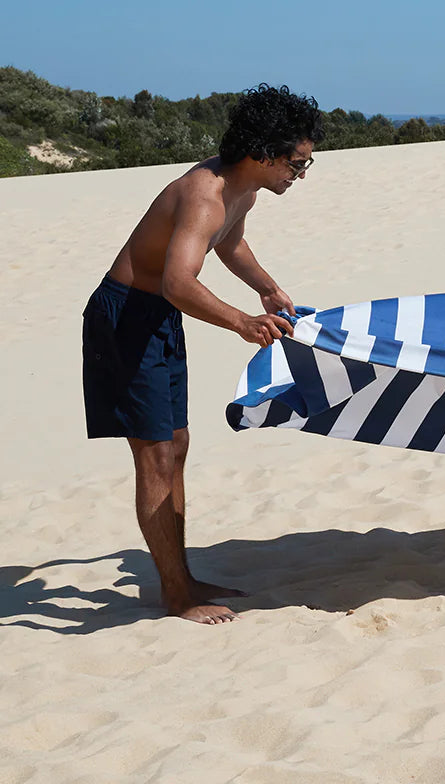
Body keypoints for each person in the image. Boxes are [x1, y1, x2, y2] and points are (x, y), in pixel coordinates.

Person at [82, 83, 323, 623]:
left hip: (158, 317)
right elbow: (177, 280)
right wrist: (241, 321)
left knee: (179, 444)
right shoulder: (204, 192)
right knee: (156, 454)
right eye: (296, 164)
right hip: (125, 317)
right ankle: (176, 594)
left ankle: (182, 577)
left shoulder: (243, 190)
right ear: (263, 153)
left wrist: (265, 287)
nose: (299, 174)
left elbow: (229, 242)